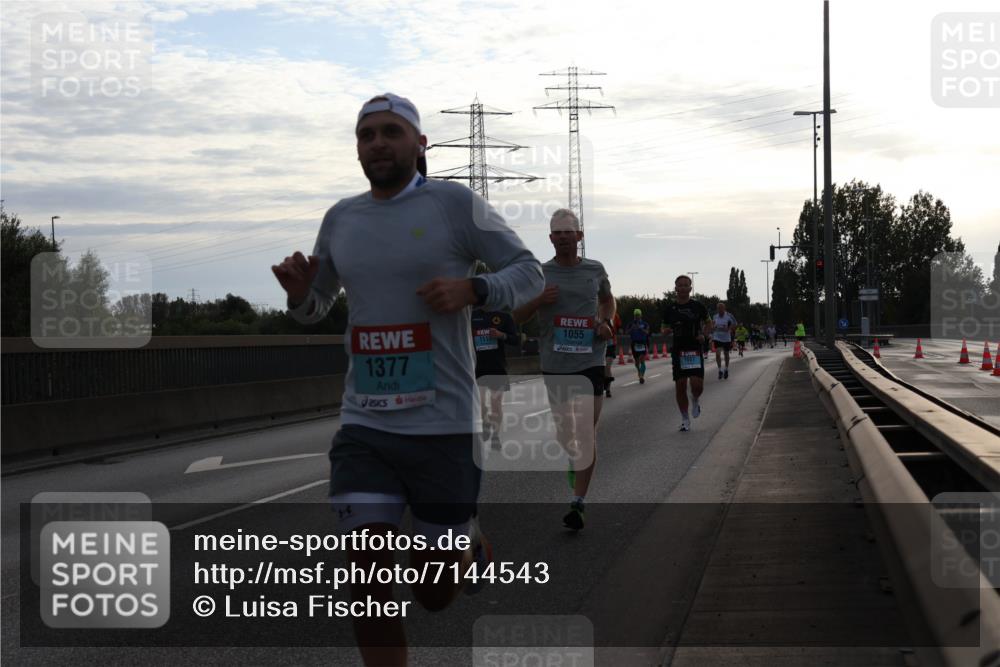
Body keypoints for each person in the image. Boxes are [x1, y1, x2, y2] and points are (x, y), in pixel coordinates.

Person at [272, 93, 544, 667]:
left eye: (391, 132)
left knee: (434, 593)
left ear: (420, 144)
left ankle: (467, 547)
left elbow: (529, 272)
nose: (377, 143)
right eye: (366, 134)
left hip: (443, 427)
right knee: (367, 589)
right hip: (365, 426)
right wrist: (300, 294)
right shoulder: (341, 218)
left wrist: (475, 290)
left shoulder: (452, 203)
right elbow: (318, 307)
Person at [513, 208, 615, 531]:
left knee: (586, 431)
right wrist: (538, 301)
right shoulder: (539, 273)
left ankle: (578, 503)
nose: (562, 237)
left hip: (589, 361)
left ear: (579, 237)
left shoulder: (595, 269)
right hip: (555, 363)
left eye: (568, 232)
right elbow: (516, 317)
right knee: (566, 433)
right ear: (550, 239)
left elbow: (608, 301)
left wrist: (606, 322)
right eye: (556, 232)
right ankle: (572, 456)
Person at [661, 275, 709, 432]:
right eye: (679, 285)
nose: (682, 288)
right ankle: (685, 419)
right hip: (678, 350)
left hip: (694, 349)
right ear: (675, 288)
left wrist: (704, 335)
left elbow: (709, 323)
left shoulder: (698, 306)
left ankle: (695, 399)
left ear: (690, 288)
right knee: (680, 386)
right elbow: (663, 328)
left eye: (685, 285)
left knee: (697, 386)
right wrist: (666, 331)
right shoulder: (670, 309)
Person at [472, 302, 520, 450]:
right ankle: (486, 423)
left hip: (497, 367)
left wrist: (501, 335)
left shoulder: (503, 316)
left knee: (496, 404)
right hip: (476, 367)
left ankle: (495, 436)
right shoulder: (472, 314)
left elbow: (516, 340)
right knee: (479, 404)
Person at [710, 301, 737, 379]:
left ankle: (726, 369)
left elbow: (735, 324)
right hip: (717, 337)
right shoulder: (715, 316)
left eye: (721, 308)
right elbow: (712, 325)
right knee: (717, 354)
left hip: (726, 338)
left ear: (724, 308)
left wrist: (729, 328)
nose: (720, 310)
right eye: (718, 308)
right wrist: (713, 327)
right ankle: (720, 370)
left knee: (726, 354)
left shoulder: (729, 315)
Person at [627, 308, 652, 384]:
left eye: (638, 315)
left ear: (641, 315)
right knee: (637, 362)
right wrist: (632, 328)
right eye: (635, 315)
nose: (637, 317)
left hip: (642, 343)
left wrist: (641, 329)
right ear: (634, 316)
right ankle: (639, 371)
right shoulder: (631, 324)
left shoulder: (645, 324)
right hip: (634, 343)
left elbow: (647, 332)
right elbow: (626, 332)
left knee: (642, 360)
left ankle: (641, 376)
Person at [603, 311, 623, 397]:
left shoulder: (615, 315)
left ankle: (608, 389)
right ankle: (603, 382)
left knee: (607, 366)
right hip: (599, 346)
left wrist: (609, 323)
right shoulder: (595, 313)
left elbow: (618, 329)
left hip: (611, 344)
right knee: (601, 368)